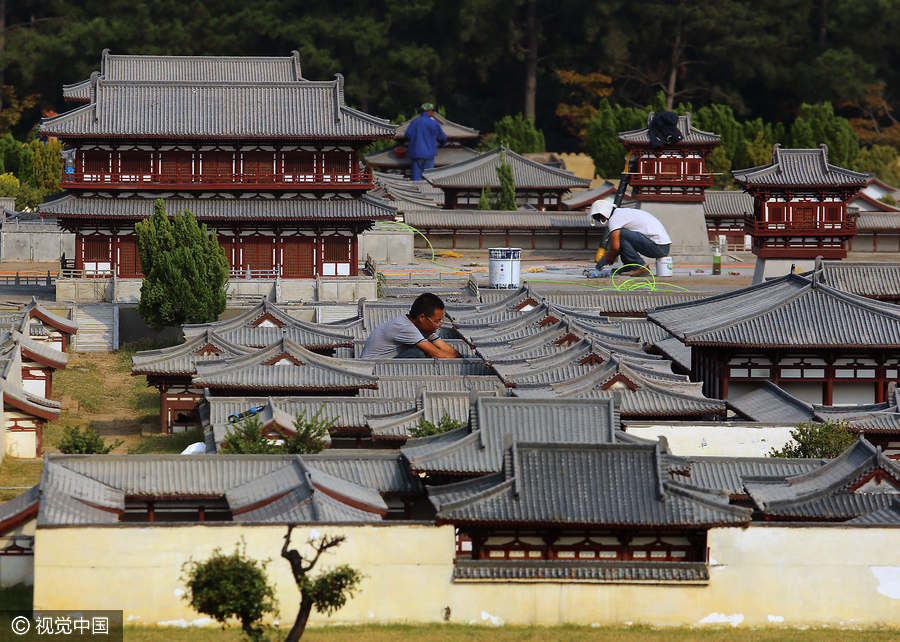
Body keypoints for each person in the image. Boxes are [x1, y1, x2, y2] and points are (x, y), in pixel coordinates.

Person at [360, 292, 462, 359]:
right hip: (372, 368)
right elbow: (438, 354)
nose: (439, 325)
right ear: (422, 318)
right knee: (419, 354)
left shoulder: (423, 328)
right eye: (436, 321)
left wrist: (462, 358)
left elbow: (446, 348)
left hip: (385, 365)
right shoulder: (404, 327)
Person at [586, 201, 671, 277]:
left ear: (603, 214)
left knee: (621, 235)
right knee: (622, 238)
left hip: (659, 248)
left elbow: (615, 247)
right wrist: (610, 257)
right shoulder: (621, 213)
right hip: (662, 246)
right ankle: (630, 267)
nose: (599, 220)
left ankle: (640, 267)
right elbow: (619, 247)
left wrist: (603, 262)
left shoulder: (615, 219)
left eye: (598, 217)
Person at [404, 103, 447, 181]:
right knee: (429, 179)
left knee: (416, 179)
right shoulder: (434, 123)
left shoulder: (414, 122)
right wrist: (443, 144)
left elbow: (407, 135)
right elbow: (442, 137)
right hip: (429, 154)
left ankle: (416, 193)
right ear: (430, 111)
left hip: (416, 154)